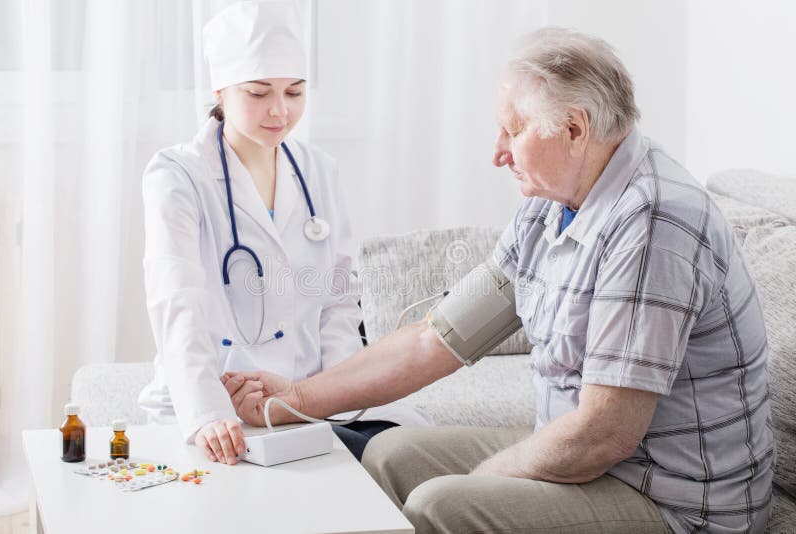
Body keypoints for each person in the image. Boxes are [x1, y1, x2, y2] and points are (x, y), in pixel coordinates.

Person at [223, 27, 775, 533]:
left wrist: (480, 483)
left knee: (441, 504)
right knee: (388, 454)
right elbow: (434, 340)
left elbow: (602, 434)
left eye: (513, 130)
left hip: (676, 502)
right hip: (605, 462)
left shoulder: (653, 224)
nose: (497, 152)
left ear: (574, 128)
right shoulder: (553, 200)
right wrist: (296, 396)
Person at [138, 0, 426, 465]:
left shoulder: (319, 171)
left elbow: (339, 300)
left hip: (309, 396)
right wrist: (208, 412)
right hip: (223, 397)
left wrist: (332, 394)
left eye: (295, 92)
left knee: (406, 450)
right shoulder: (177, 175)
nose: (279, 110)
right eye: (258, 93)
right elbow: (176, 301)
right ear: (220, 90)